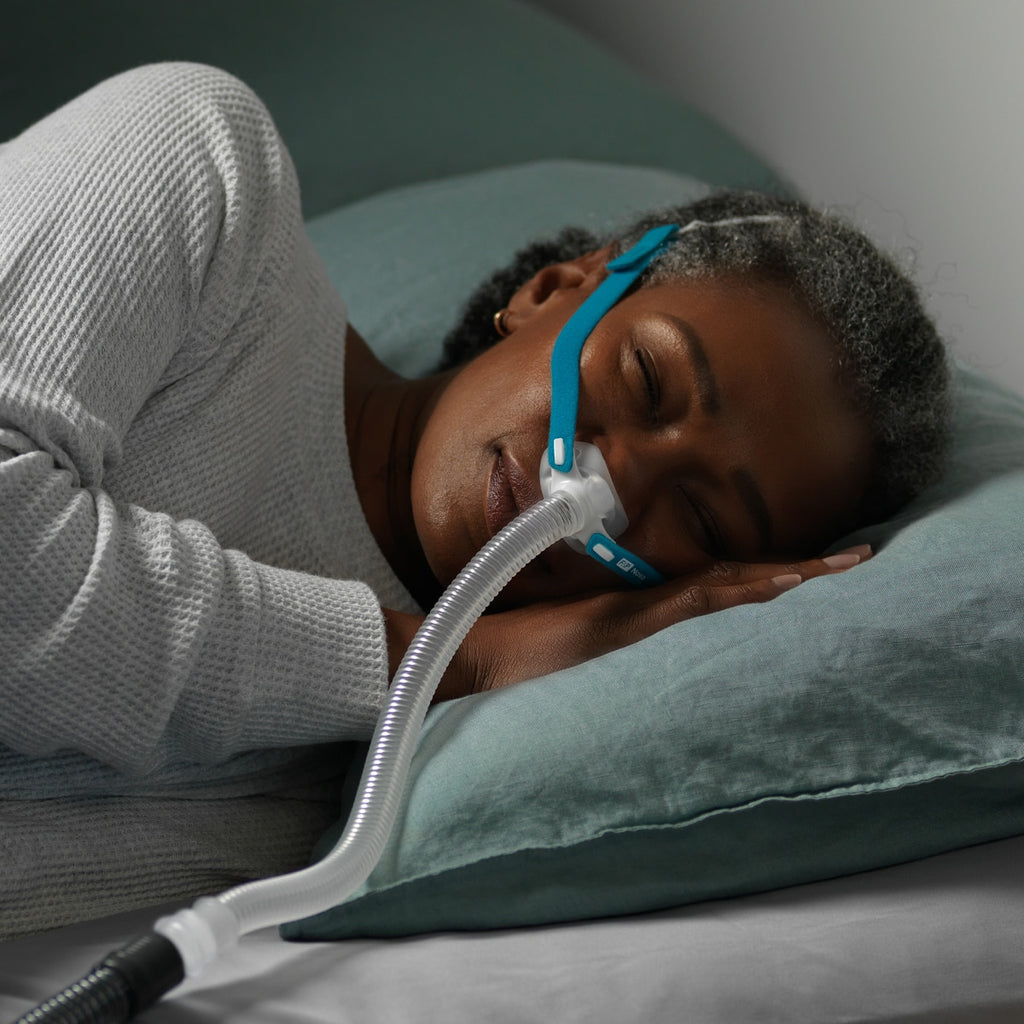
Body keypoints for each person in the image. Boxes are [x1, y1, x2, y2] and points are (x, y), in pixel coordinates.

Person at [0, 63, 950, 937]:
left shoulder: (371, 792)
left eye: (701, 520)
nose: (609, 477)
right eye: (647, 380)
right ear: (556, 290)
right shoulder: (201, 166)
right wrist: (453, 661)